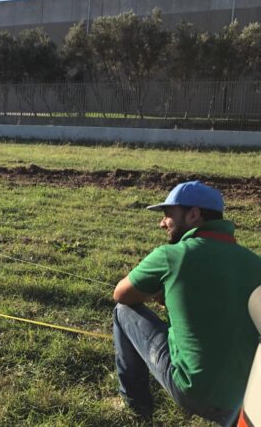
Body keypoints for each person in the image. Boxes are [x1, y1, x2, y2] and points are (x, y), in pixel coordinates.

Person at [112, 180, 261, 425]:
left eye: (168, 215)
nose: (162, 223)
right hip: (247, 400)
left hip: (195, 393)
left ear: (193, 215)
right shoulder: (255, 263)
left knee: (123, 311)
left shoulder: (171, 256)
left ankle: (136, 406)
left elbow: (121, 294)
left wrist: (159, 293)